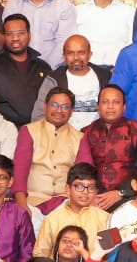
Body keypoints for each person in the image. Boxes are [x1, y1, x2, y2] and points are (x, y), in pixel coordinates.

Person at [13, 88, 87, 217]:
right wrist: (21, 203)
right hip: (32, 200)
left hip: (66, 202)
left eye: (65, 107)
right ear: (45, 106)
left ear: (72, 111)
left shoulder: (80, 138)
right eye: (54, 105)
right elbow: (19, 171)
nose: (59, 110)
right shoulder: (29, 131)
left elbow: (84, 176)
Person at [0, 14, 55, 126]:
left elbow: (52, 101)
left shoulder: (43, 67)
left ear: (29, 35)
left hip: (39, 130)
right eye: (10, 34)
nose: (15, 38)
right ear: (4, 36)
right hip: (4, 130)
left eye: (21, 33)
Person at [78, 85, 137, 209]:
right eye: (105, 102)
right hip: (93, 197)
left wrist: (121, 193)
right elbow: (82, 170)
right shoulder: (86, 132)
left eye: (116, 102)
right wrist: (90, 195)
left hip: (128, 196)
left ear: (124, 107)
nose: (110, 106)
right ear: (98, 107)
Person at [32, 163, 112, 260]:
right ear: (68, 189)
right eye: (79, 186)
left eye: (91, 188)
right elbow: (40, 256)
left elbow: (110, 258)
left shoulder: (105, 219)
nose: (85, 192)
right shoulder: (52, 220)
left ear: (96, 191)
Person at [32, 34, 112, 130]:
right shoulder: (53, 80)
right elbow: (39, 115)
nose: (76, 57)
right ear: (64, 56)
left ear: (90, 55)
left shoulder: (105, 77)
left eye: (81, 53)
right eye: (70, 53)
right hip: (63, 136)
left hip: (98, 136)